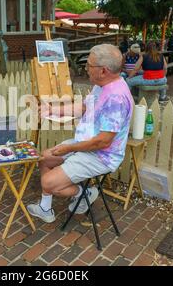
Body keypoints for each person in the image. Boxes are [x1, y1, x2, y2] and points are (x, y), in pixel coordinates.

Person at [27, 44, 134, 223]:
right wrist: (51, 109)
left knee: (48, 182)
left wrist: (70, 147)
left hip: (101, 156)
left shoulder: (116, 97)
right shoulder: (102, 85)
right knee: (45, 158)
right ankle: (45, 208)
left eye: (89, 66)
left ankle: (83, 193)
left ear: (103, 70)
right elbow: (84, 107)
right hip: (85, 145)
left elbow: (103, 142)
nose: (86, 69)